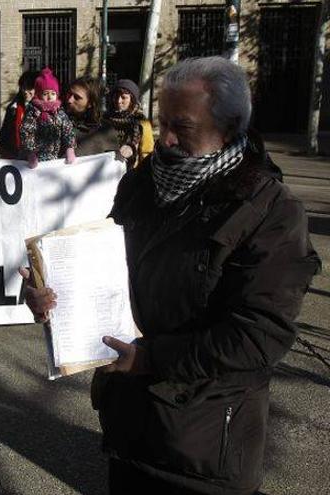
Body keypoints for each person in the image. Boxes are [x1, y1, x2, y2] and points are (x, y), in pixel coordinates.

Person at [21, 56, 320, 495]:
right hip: (128, 428)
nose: (165, 139)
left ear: (229, 127)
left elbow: (260, 336)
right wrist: (52, 297)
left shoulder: (271, 211)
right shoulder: (142, 183)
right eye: (162, 123)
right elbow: (110, 269)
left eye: (183, 127)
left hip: (204, 451)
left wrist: (150, 360)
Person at [20, 67, 76, 168]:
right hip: (37, 157)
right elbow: (27, 131)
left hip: (56, 157)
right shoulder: (34, 111)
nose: (50, 97)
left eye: (53, 94)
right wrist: (31, 152)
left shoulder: (59, 112)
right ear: (38, 94)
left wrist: (69, 147)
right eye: (45, 94)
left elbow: (68, 130)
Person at [65, 76, 120, 157]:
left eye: (77, 97)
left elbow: (114, 164)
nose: (69, 100)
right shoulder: (57, 123)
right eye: (69, 94)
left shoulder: (105, 131)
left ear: (90, 103)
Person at [104, 79, 154, 169]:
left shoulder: (142, 123)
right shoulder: (104, 120)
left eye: (123, 97)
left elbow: (147, 153)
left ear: (132, 100)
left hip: (131, 174)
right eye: (116, 97)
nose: (119, 101)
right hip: (105, 171)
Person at [0, 70, 37, 159]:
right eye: (23, 87)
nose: (25, 91)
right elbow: (4, 134)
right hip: (14, 156)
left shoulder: (43, 111)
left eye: (29, 87)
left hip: (36, 158)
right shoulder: (13, 108)